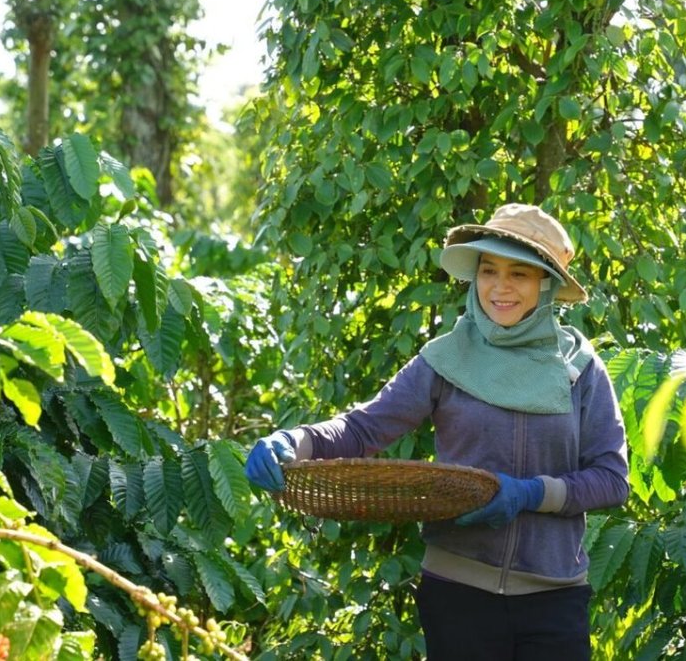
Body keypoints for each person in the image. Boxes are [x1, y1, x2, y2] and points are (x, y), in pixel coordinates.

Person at [245, 203, 630, 661]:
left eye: (520, 275)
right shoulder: (444, 359)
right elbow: (363, 427)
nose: (500, 288)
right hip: (457, 591)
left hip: (554, 596)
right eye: (489, 271)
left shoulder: (581, 370)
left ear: (546, 284)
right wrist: (294, 441)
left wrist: (529, 493)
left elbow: (611, 479)